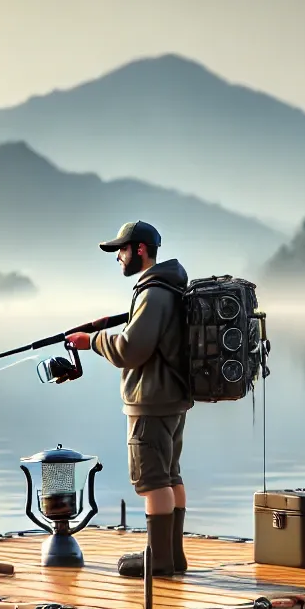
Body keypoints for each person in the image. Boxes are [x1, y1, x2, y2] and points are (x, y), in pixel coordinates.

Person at [66, 221, 191, 577]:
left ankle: (159, 559)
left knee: (152, 481)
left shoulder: (154, 293)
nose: (118, 257)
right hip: (172, 398)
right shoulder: (168, 287)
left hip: (151, 400)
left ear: (140, 249)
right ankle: (173, 556)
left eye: (121, 250)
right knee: (169, 476)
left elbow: (131, 349)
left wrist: (91, 342)